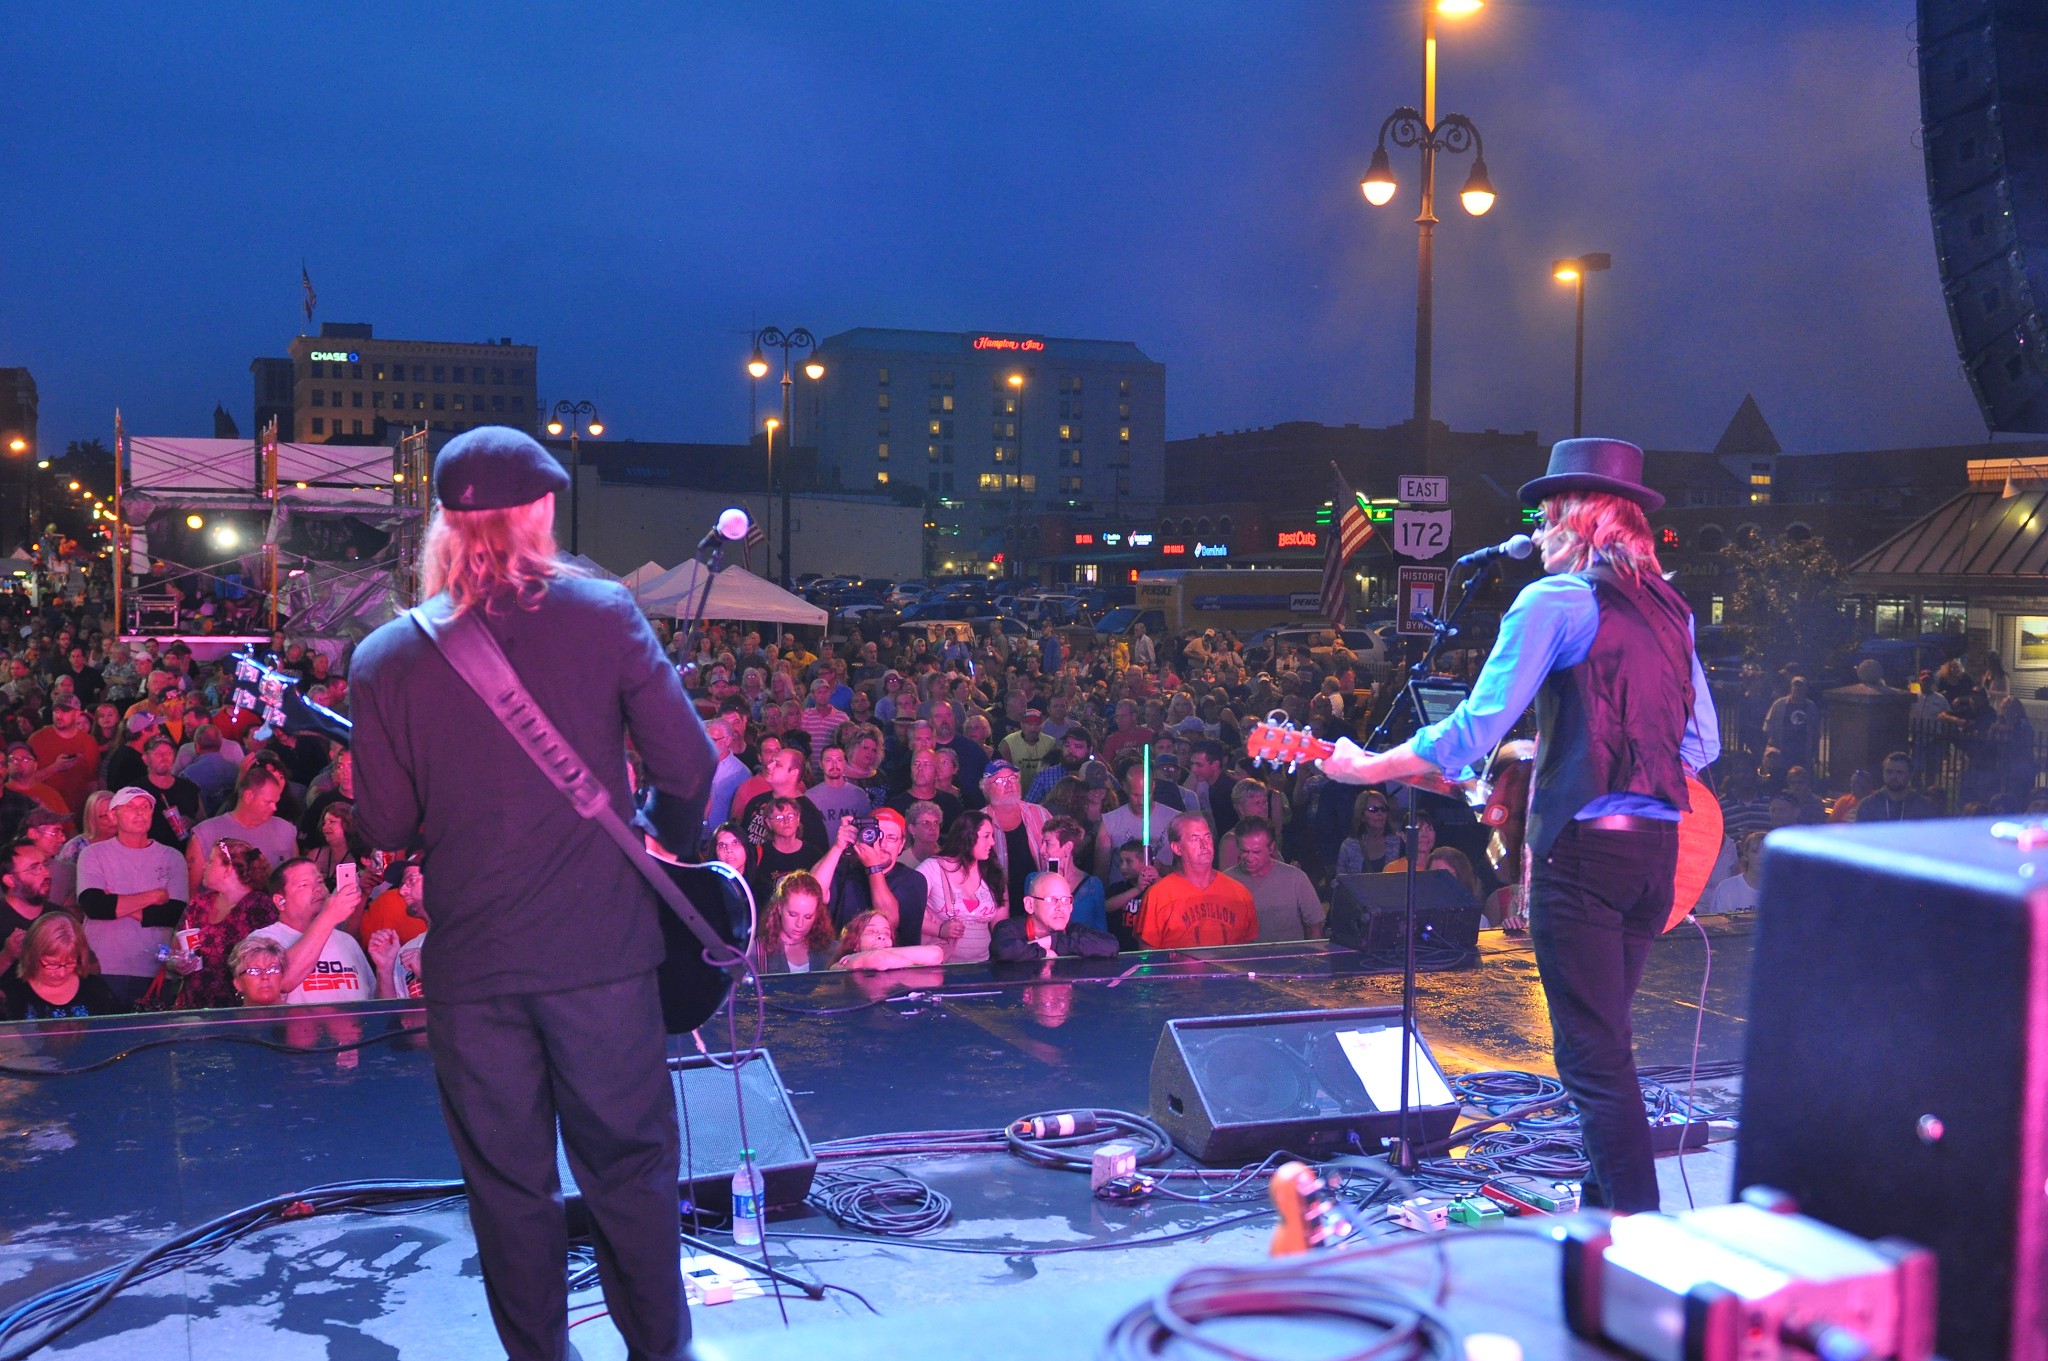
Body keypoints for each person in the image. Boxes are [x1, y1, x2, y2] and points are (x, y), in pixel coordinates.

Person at [350, 426, 714, 1361]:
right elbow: (689, 764)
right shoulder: (603, 614)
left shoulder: (384, 657)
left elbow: (387, 828)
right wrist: (663, 855)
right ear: (540, 513)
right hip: (602, 961)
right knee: (628, 1173)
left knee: (508, 1190)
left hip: (473, 973)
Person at [1319, 439, 1720, 1216]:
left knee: (1593, 1061)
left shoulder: (1554, 601)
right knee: (1606, 1050)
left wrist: (1366, 768)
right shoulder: (1672, 609)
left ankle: (1634, 1245)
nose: (1534, 534)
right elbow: (1698, 743)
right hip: (1656, 857)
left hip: (1583, 858)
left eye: (1543, 517)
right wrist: (1564, 742)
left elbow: (1471, 731)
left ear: (1578, 519)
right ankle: (1604, 1220)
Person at [76, 786, 190, 1007]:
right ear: (112, 815)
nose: (139, 812)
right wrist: (153, 895)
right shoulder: (92, 854)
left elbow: (172, 914)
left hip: (155, 970)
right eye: (130, 807)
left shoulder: (172, 858)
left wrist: (117, 903)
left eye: (145, 807)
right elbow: (95, 906)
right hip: (102, 967)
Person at [246, 857, 380, 1003]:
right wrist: (329, 917)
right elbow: (281, 982)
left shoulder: (347, 941)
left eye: (320, 882)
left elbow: (371, 1001)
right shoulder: (262, 939)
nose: (318, 889)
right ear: (280, 901)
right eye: (304, 885)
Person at [170, 839, 279, 1010]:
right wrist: (177, 963)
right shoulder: (199, 903)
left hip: (241, 1009)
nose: (204, 866)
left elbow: (273, 958)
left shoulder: (259, 907)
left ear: (228, 869)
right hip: (193, 1007)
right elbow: (173, 952)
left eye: (211, 861)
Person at [1132, 813, 1259, 949]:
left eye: (1207, 837)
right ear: (1177, 848)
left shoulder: (1239, 893)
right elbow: (1147, 956)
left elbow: (1247, 951)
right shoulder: (1158, 896)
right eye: (1195, 838)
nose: (1205, 845)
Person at [814, 807, 927, 945]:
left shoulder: (913, 880)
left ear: (901, 844)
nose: (882, 843)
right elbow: (813, 894)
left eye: (891, 837)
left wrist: (873, 867)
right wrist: (838, 847)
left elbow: (889, 920)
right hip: (842, 961)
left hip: (891, 961)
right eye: (876, 835)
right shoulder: (845, 870)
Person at [186, 762, 297, 891]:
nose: (274, 808)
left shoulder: (286, 831)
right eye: (268, 802)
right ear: (248, 796)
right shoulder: (204, 834)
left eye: (276, 802)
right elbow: (191, 892)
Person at [915, 810, 1007, 963]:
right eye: (986, 836)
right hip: (941, 967)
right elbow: (908, 915)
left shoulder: (993, 873)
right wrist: (939, 930)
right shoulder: (933, 868)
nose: (992, 842)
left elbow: (1001, 926)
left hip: (984, 966)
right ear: (967, 836)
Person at [2, 912, 126, 1021]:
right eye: (52, 964)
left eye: (70, 963)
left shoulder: (96, 988)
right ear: (33, 956)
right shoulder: (12, 993)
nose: (61, 973)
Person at [1224, 817, 1324, 942]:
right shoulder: (1225, 882)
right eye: (1244, 851)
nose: (1249, 858)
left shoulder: (1295, 879)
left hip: (1290, 959)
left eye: (1256, 852)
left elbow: (1315, 928)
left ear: (1271, 848)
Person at [992, 870, 1120, 961]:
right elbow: (1004, 950)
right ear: (1029, 905)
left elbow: (1111, 945)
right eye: (1051, 900)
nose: (1060, 907)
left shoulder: (1072, 930)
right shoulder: (1009, 928)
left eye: (1066, 900)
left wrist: (1053, 942)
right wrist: (1043, 953)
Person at [28, 695, 98, 818]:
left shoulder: (89, 742)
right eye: (56, 711)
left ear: (77, 714)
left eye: (65, 711)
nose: (59, 716)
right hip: (46, 813)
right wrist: (55, 767)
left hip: (78, 813)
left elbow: (93, 781)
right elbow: (24, 780)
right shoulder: (36, 740)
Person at [753, 870, 833, 973]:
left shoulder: (831, 950)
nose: (799, 924)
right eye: (793, 915)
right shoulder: (757, 953)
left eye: (808, 917)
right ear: (779, 907)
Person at [1038, 815, 1108, 933]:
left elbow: (1101, 930)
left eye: (1048, 844)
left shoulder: (1092, 885)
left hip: (1083, 949)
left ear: (1068, 847)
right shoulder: (1034, 880)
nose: (1041, 850)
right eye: (1042, 843)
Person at [829, 909, 945, 971]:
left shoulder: (893, 959)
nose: (881, 936)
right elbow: (879, 959)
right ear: (855, 943)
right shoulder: (840, 965)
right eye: (871, 932)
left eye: (886, 933)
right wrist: (912, 963)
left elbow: (936, 954)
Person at [1851, 752, 1941, 822]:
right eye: (1889, 772)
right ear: (1883, 773)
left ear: (1910, 775)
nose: (1894, 777)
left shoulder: (1925, 807)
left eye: (1899, 772)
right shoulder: (1868, 805)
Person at [1335, 791, 1404, 876]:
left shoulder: (1398, 842)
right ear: (1362, 815)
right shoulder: (1349, 846)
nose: (1379, 813)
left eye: (1383, 809)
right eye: (1373, 809)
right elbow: (1340, 882)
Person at [1704, 831, 1764, 915]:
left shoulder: (1784, 889)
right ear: (1746, 855)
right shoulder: (1726, 889)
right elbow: (1717, 925)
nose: (1761, 856)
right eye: (1755, 851)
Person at [227, 932, 289, 1007]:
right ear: (238, 984)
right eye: (254, 971)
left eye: (273, 969)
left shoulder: (302, 1016)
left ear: (282, 978)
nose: (265, 976)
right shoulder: (229, 1019)